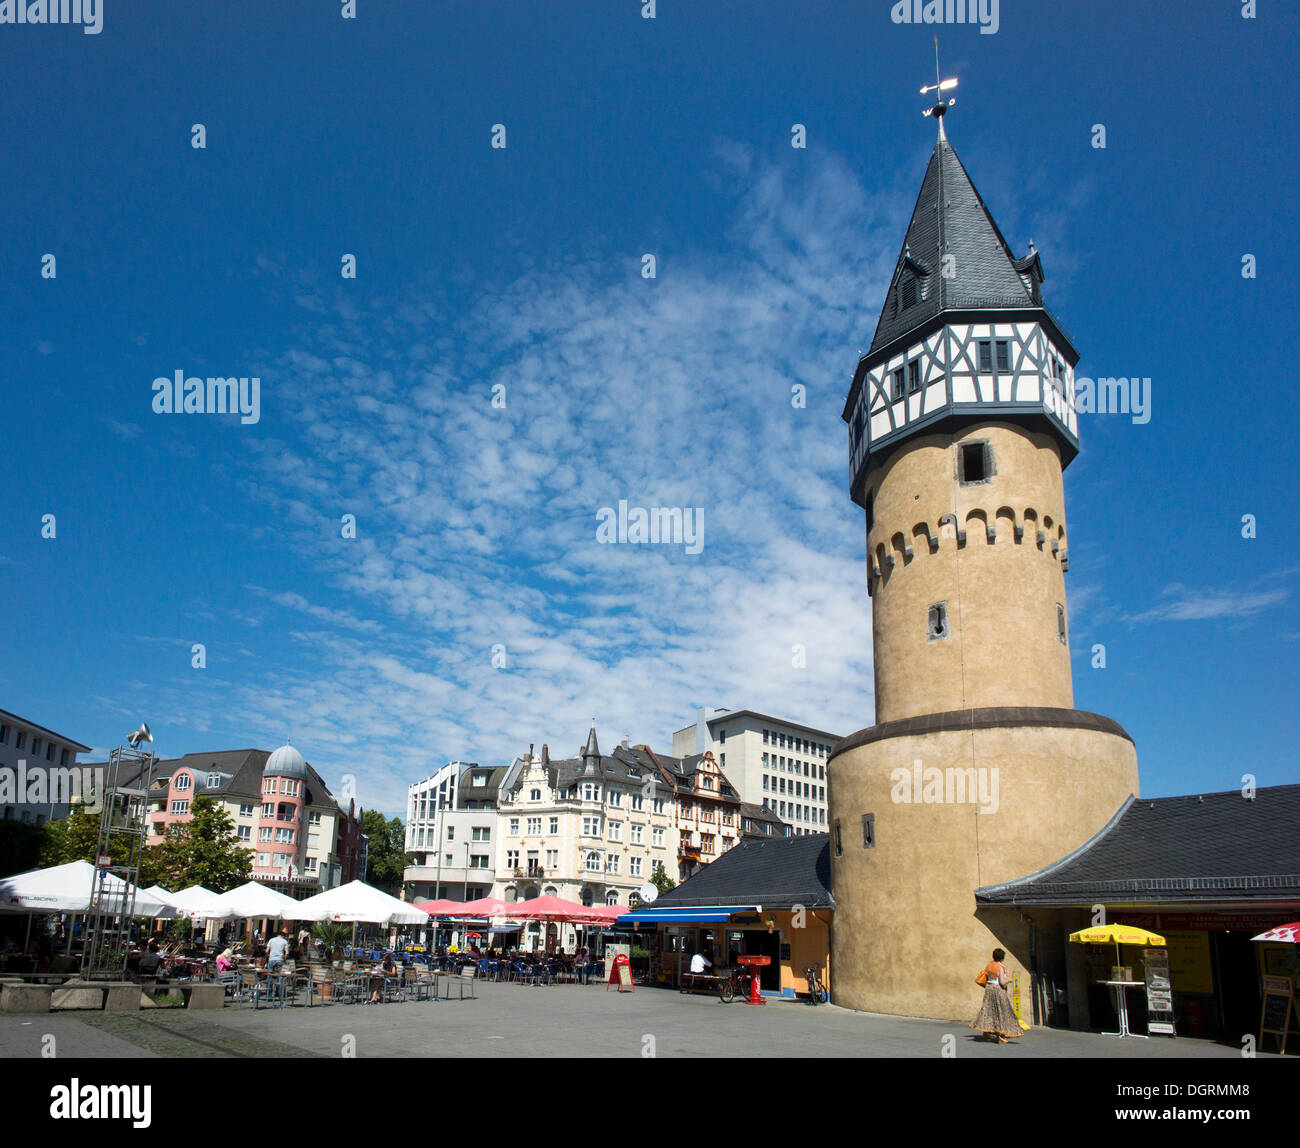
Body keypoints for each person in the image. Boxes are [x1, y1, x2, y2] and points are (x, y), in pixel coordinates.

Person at [970, 948, 1024, 1044]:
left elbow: (989, 975)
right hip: (998, 990)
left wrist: (1004, 974)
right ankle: (1001, 1036)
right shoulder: (1000, 967)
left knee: (989, 1010)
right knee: (1002, 1011)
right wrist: (1009, 980)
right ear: (1002, 957)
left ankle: (986, 1032)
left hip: (989, 989)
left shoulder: (989, 965)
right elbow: (1002, 982)